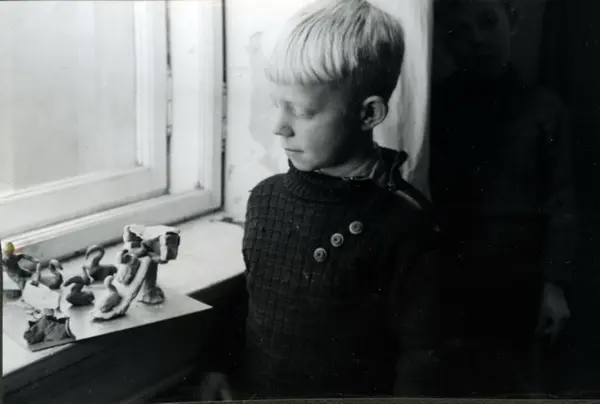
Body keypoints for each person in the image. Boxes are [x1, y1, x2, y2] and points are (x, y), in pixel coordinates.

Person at [199, 0, 441, 399]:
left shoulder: (404, 222)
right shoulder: (265, 199)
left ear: (368, 114)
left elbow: (421, 354)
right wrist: (217, 364)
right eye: (277, 105)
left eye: (301, 111)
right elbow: (253, 292)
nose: (279, 127)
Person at [429, 0, 577, 397]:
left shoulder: (544, 109)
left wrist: (555, 284)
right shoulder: (437, 106)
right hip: (455, 275)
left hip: (521, 277)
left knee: (518, 381)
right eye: (461, 31)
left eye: (487, 22)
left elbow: (562, 204)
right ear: (445, 41)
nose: (477, 39)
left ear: (512, 20)